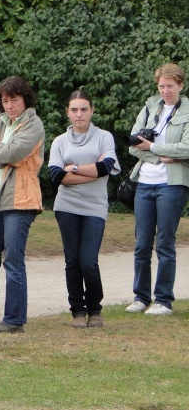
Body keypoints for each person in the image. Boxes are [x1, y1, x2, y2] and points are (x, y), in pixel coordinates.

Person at [0, 76, 44, 334]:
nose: (9, 105)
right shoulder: (1, 123)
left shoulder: (34, 125)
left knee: (13, 260)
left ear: (25, 99)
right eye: (4, 100)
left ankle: (14, 319)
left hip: (21, 199)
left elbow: (12, 154)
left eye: (14, 100)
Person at [48, 90, 120, 328]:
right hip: (66, 206)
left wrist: (75, 168)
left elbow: (106, 167)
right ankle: (78, 312)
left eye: (84, 109)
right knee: (72, 260)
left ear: (92, 111)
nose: (79, 114)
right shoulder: (60, 141)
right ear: (67, 112)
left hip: (95, 207)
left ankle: (95, 310)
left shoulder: (104, 137)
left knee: (88, 261)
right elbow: (57, 176)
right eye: (74, 109)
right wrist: (92, 170)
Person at [125, 63, 189, 316]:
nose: (165, 91)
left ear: (180, 85)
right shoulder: (150, 106)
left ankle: (163, 300)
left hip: (171, 184)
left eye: (170, 86)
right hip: (145, 181)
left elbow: (186, 149)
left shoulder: (187, 111)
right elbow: (131, 144)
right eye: (161, 86)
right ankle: (140, 297)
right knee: (141, 243)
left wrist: (151, 149)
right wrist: (160, 156)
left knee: (164, 242)